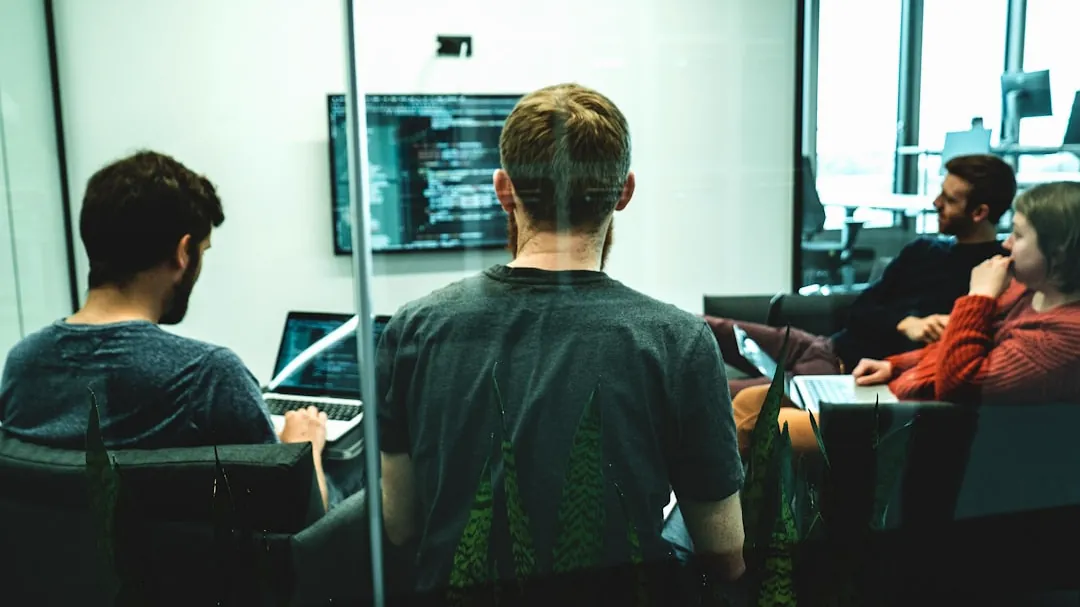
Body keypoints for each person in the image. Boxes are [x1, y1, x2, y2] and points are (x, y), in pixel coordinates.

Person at [376, 83, 746, 597]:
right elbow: (725, 555)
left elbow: (400, 525)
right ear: (625, 192)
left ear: (503, 189)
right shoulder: (678, 341)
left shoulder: (412, 328)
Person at [0, 150, 331, 509]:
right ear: (183, 252)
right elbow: (297, 515)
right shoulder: (209, 376)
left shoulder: (22, 365)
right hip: (195, 566)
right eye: (202, 250)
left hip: (57, 564)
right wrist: (304, 449)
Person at [733, 180, 1080, 452]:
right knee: (752, 400)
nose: (1006, 245)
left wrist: (979, 297)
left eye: (1018, 236)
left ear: (1058, 250)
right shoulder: (1028, 292)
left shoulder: (1065, 337)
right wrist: (897, 365)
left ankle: (725, 535)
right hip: (900, 398)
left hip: (913, 431)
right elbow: (951, 346)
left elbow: (961, 382)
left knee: (750, 419)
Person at [708, 154, 1017, 397]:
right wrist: (907, 322)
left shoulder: (993, 279)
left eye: (949, 200)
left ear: (979, 212)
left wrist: (915, 328)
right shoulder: (923, 250)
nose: (936, 203)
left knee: (715, 396)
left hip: (838, 372)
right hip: (820, 345)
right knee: (687, 327)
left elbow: (946, 357)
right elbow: (860, 310)